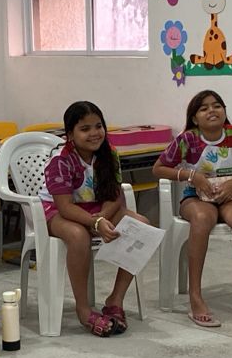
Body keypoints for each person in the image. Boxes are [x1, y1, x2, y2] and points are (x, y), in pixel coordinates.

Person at [153, 90, 232, 328]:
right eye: (204, 108)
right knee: (202, 218)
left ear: (224, 111)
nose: (211, 111)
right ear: (194, 118)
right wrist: (192, 176)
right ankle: (195, 295)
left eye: (217, 106)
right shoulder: (187, 139)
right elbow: (158, 169)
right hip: (196, 197)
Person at [40, 101, 150, 337]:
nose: (94, 133)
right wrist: (95, 223)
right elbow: (65, 207)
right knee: (78, 236)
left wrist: (101, 217)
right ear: (70, 134)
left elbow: (114, 195)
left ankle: (115, 300)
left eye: (98, 126)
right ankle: (83, 309)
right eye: (85, 128)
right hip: (58, 211)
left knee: (141, 225)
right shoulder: (60, 160)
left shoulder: (109, 154)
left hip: (98, 209)